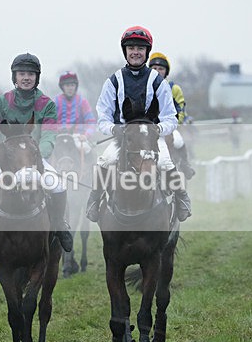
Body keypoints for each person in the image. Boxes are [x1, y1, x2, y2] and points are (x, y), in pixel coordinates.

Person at [87, 26, 192, 223]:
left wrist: (158, 129)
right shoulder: (113, 81)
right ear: (125, 51)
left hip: (151, 137)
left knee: (166, 162)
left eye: (140, 48)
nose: (136, 52)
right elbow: (103, 115)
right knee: (104, 160)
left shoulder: (157, 81)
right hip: (124, 137)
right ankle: (94, 199)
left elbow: (170, 116)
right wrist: (113, 129)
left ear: (147, 52)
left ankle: (181, 198)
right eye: (131, 48)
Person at [0, 52, 74, 254]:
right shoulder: (2, 102)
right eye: (21, 73)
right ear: (15, 77)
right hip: (5, 161)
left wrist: (36, 158)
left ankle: (60, 225)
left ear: (37, 77)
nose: (26, 77)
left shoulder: (47, 104)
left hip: (35, 160)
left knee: (58, 185)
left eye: (30, 74)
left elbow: (49, 136)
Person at [148, 52, 196, 179]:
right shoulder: (144, 87)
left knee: (179, 140)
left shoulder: (174, 88)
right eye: (154, 69)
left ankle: (185, 166)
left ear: (166, 72)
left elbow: (180, 110)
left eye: (161, 69)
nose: (157, 71)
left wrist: (172, 125)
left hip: (168, 128)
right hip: (148, 129)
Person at [53, 70, 97, 151]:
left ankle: (92, 164)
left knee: (86, 149)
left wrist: (86, 135)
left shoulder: (83, 102)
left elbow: (91, 121)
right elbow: (50, 122)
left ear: (76, 86)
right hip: (59, 136)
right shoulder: (55, 102)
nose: (70, 88)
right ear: (62, 87)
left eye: (72, 85)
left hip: (78, 137)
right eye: (67, 85)